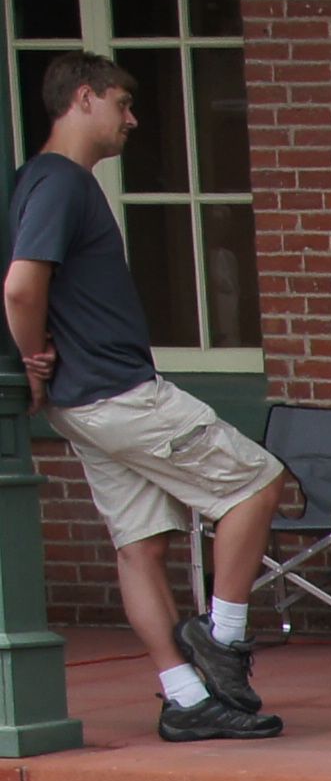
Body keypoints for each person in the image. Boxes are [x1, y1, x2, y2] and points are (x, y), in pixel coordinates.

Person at [7, 54, 284, 741]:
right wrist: (31, 361)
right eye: (123, 104)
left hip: (85, 405)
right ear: (83, 98)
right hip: (118, 392)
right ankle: (222, 640)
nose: (131, 120)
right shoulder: (61, 182)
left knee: (140, 546)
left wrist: (42, 366)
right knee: (256, 484)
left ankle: (187, 697)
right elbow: (19, 286)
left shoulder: (34, 183)